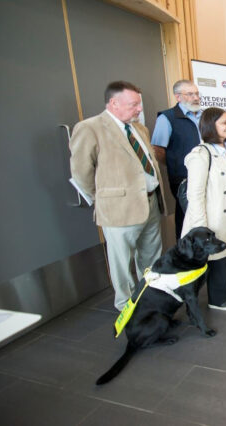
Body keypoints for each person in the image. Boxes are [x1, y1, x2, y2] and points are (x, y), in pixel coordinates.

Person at [70, 81, 167, 311]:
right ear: (114, 103)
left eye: (139, 104)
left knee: (151, 257)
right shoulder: (90, 128)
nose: (139, 109)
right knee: (122, 262)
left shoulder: (139, 129)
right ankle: (126, 306)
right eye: (133, 104)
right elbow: (81, 172)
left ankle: (150, 298)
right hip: (119, 209)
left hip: (151, 202)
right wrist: (103, 198)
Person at [181, 107, 226, 311]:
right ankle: (218, 298)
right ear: (209, 126)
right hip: (215, 216)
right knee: (218, 256)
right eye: (224, 123)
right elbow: (194, 194)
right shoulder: (201, 154)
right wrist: (199, 226)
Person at [151, 79, 203, 239]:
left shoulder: (205, 115)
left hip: (207, 174)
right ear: (178, 97)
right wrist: (175, 165)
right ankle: (186, 257)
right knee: (187, 219)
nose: (195, 97)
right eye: (190, 94)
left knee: (204, 217)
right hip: (182, 178)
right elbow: (158, 149)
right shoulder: (167, 118)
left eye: (196, 93)